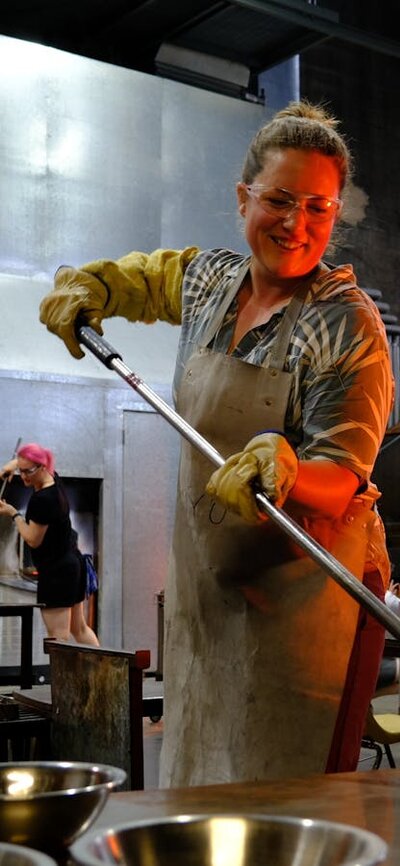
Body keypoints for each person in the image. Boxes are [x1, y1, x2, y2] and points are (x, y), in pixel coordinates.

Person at [39, 99, 393, 785]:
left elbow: (343, 472)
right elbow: (147, 278)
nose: (296, 225)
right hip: (211, 584)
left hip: (305, 600)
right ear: (243, 197)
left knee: (289, 803)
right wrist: (94, 286)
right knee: (205, 775)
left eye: (319, 208)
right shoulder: (211, 283)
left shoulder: (345, 324)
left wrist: (287, 467)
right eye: (280, 200)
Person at [0, 442, 99, 646]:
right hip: (73, 565)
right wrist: (12, 465)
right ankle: (101, 675)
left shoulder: (43, 500)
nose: (24, 476)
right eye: (21, 471)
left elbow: (32, 540)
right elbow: (30, 463)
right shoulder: (54, 479)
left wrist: (13, 513)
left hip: (57, 574)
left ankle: (64, 679)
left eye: (28, 472)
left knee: (58, 638)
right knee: (79, 629)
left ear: (42, 467)